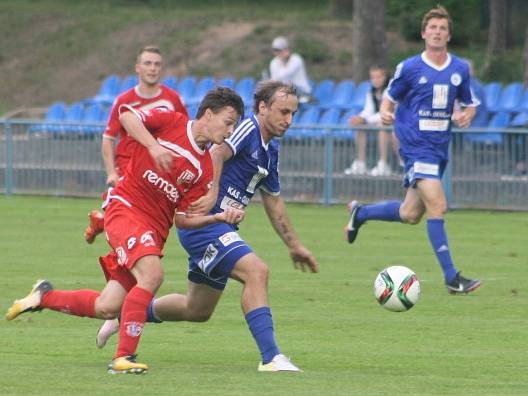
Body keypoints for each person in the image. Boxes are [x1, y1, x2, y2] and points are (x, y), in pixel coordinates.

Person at [6, 87, 246, 375]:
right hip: (126, 208)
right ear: (209, 114)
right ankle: (123, 358)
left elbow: (182, 219)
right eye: (228, 122)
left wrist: (217, 217)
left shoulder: (204, 168)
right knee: (153, 275)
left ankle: (43, 297)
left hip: (153, 232)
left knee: (107, 306)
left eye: (234, 125)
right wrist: (153, 146)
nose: (230, 130)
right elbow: (126, 116)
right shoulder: (171, 121)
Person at [95, 81, 319, 372]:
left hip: (219, 227)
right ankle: (271, 357)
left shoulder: (270, 151)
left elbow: (274, 202)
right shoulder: (246, 127)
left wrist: (295, 245)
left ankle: (129, 315)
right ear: (262, 108)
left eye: (293, 114)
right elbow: (215, 151)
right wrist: (212, 192)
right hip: (205, 224)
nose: (288, 120)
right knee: (257, 271)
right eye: (283, 111)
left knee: (197, 309)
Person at [345, 6, 481, 294]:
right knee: (438, 205)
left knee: (410, 213)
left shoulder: (459, 69)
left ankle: (361, 213)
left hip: (439, 147)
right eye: (432, 27)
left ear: (449, 35)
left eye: (443, 28)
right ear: (423, 33)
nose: (437, 32)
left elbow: (470, 105)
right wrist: (384, 113)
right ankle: (452, 278)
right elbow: (389, 98)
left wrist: (467, 116)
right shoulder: (409, 67)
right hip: (415, 146)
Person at [84, 45, 188, 244]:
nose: (152, 68)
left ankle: (102, 223)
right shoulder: (124, 100)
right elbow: (108, 138)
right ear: (138, 68)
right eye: (148, 63)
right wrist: (111, 173)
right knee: (129, 221)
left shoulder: (172, 99)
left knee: (144, 221)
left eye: (157, 64)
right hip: (128, 168)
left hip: (156, 171)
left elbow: (184, 131)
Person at [344, 65, 400, 176]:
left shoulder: (391, 91)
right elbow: (368, 110)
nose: (376, 80)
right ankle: (361, 163)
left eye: (379, 77)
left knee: (382, 125)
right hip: (379, 121)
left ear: (385, 77)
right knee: (360, 126)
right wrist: (359, 118)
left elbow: (386, 113)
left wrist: (365, 120)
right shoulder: (371, 92)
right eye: (373, 77)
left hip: (397, 123)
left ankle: (383, 163)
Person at [269, 36, 313, 103]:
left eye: (280, 50)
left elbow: (284, 75)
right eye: (276, 50)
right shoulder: (273, 62)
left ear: (287, 49)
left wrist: (284, 60)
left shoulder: (296, 59)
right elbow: (274, 81)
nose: (278, 53)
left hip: (301, 91)